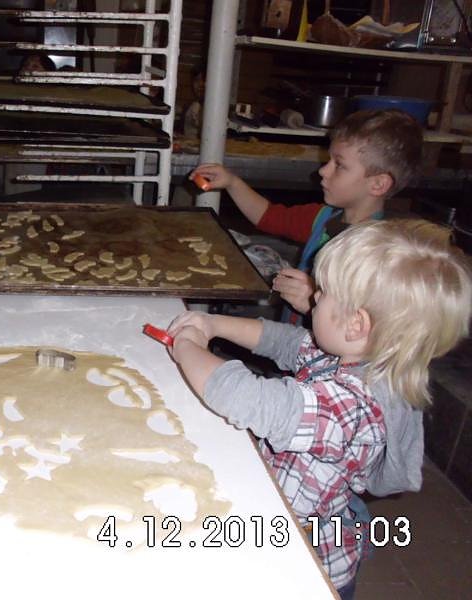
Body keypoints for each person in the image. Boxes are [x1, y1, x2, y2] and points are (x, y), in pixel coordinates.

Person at [166, 219, 472, 599]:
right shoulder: (352, 356)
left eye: (323, 294)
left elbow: (244, 397)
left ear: (356, 324)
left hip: (304, 561)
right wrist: (211, 323)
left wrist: (187, 346)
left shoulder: (351, 406)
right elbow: (285, 341)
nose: (313, 300)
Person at [189, 109, 423, 318]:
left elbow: (361, 327)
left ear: (378, 184)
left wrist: (312, 305)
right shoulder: (322, 218)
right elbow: (268, 216)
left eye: (339, 165)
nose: (323, 170)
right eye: (328, 160)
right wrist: (232, 183)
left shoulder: (379, 253)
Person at [182, 64, 205, 138]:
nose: (200, 84)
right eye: (196, 80)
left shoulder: (214, 109)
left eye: (204, 80)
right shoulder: (191, 106)